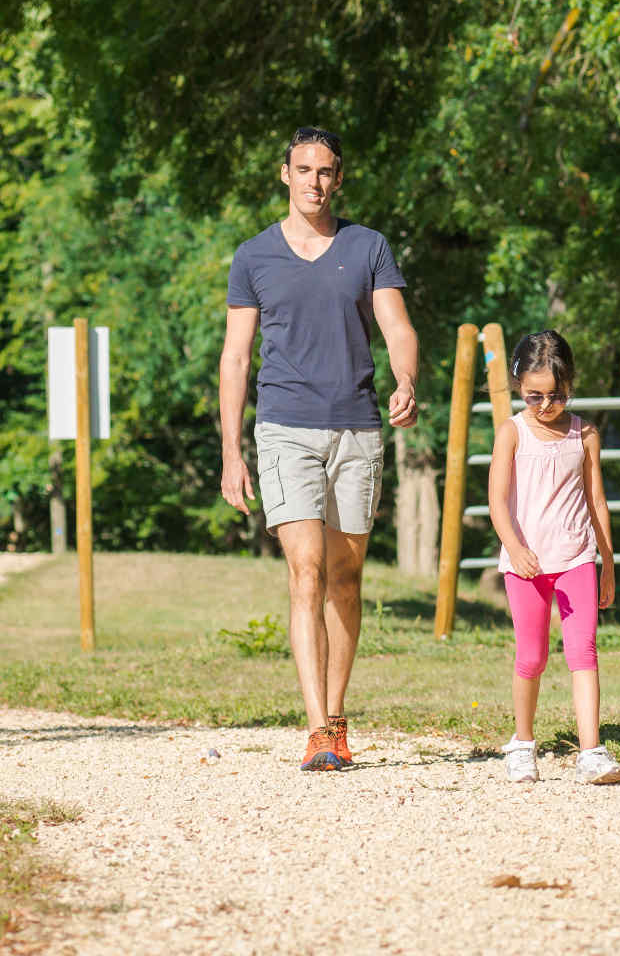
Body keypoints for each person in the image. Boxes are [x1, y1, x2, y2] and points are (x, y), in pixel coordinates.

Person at [218, 126, 419, 772]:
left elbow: (398, 327)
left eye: (325, 171)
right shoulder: (253, 256)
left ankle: (337, 713)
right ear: (285, 174)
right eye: (303, 169)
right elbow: (236, 356)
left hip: (357, 426)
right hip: (284, 426)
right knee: (304, 569)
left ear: (340, 177)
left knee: (345, 578)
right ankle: (317, 730)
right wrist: (231, 451)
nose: (314, 181)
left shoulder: (368, 248)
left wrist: (406, 379)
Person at [487, 330, 620, 785]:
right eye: (534, 395)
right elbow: (496, 501)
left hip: (576, 557)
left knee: (583, 651)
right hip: (527, 564)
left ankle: (592, 751)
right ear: (518, 385)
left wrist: (607, 562)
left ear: (571, 384)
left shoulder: (584, 434)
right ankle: (523, 743)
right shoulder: (512, 433)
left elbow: (597, 500)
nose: (546, 405)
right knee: (532, 655)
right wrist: (515, 547)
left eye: (557, 395)